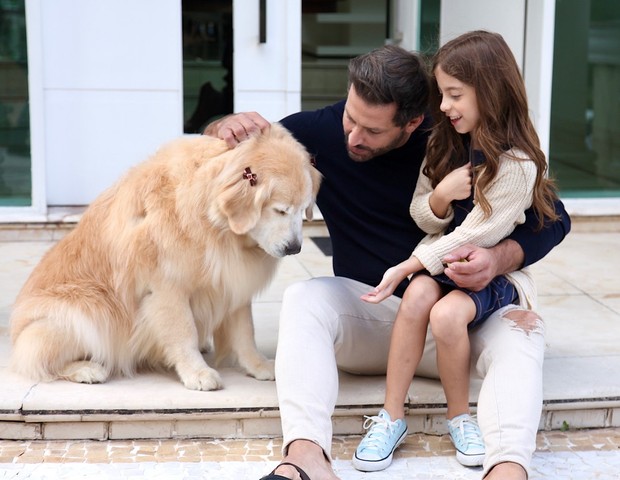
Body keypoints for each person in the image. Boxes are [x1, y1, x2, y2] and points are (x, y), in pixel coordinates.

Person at [204, 40, 570, 480]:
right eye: (351, 118)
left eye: (373, 131)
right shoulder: (316, 133)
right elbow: (224, 157)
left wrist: (498, 257)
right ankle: (305, 461)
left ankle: (508, 470)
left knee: (524, 332)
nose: (353, 137)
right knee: (303, 297)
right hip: (376, 315)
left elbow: (555, 219)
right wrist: (221, 126)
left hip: (456, 324)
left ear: (414, 122)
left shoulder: (454, 136)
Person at [353, 30, 561, 473]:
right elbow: (422, 217)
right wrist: (441, 198)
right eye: (442, 94)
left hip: (488, 272)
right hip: (444, 260)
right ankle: (391, 418)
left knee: (447, 315)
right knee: (416, 298)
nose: (442, 107)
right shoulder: (443, 140)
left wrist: (409, 263)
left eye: (454, 95)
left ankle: (459, 417)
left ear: (490, 91)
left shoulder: (518, 163)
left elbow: (480, 235)